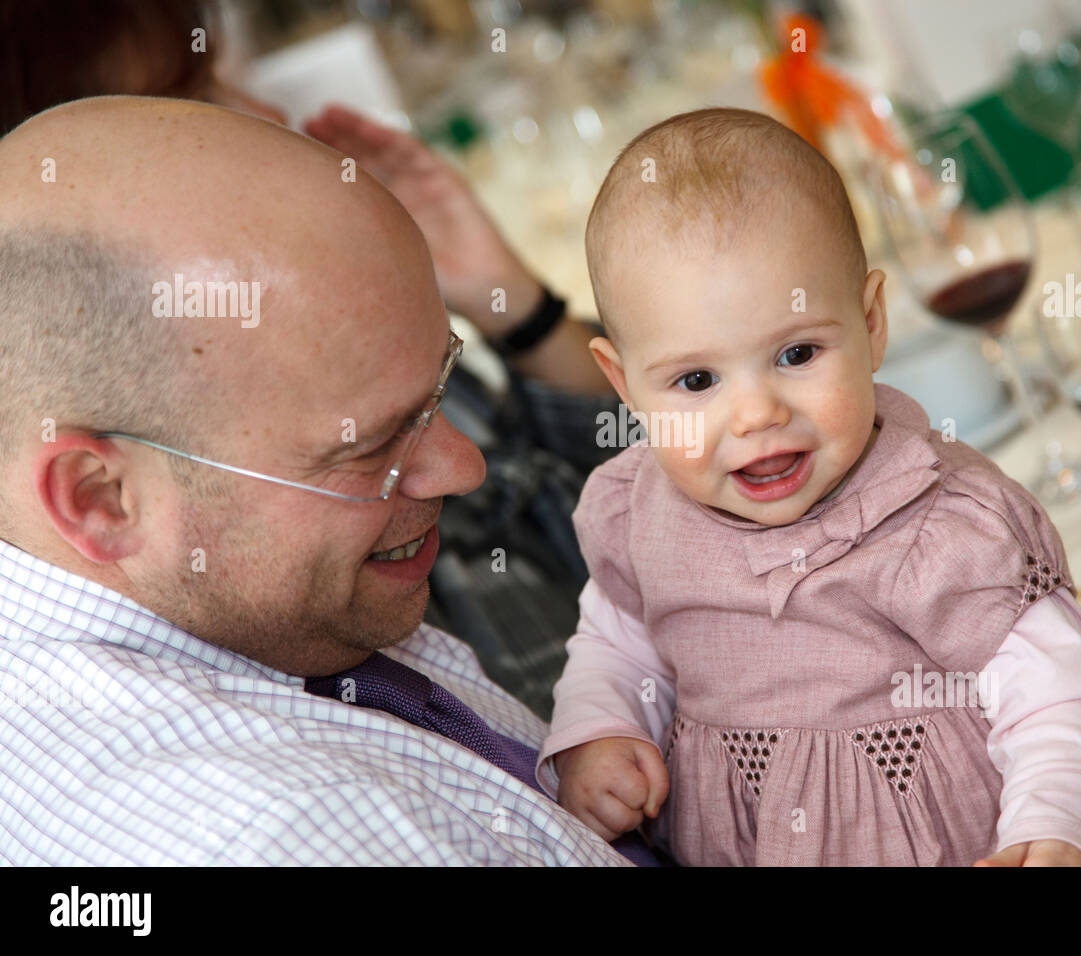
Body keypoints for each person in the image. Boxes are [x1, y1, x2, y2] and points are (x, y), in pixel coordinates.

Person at [0, 95, 655, 865]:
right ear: (100, 499)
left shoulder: (256, 603)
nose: (462, 467)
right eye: (370, 447)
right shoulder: (291, 834)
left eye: (442, 382)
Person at [536, 108, 1081, 866]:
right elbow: (617, 648)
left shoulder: (939, 522)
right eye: (697, 379)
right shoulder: (638, 516)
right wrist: (597, 728)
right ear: (623, 383)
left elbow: (1058, 697)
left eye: (798, 353)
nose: (757, 414)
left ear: (873, 324)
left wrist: (1057, 828)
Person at [0, 0, 621, 720]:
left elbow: (628, 506)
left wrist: (518, 309)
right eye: (195, 103)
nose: (264, 108)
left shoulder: (329, 347)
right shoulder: (257, 567)